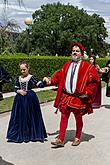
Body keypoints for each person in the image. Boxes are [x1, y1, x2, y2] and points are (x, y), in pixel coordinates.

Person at [43, 42, 100, 148]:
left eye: (77, 51)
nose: (74, 52)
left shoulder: (88, 67)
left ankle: (77, 137)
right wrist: (50, 80)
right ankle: (61, 139)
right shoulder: (67, 65)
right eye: (73, 51)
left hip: (78, 98)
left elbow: (94, 82)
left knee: (78, 118)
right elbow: (58, 77)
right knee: (64, 116)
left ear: (82, 54)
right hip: (66, 96)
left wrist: (87, 92)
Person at [7, 61, 47, 143]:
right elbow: (15, 88)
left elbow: (40, 85)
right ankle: (20, 134)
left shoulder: (31, 77)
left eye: (24, 69)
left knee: (31, 115)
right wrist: (19, 91)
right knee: (20, 116)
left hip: (30, 99)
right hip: (20, 100)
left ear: (28, 68)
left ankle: (32, 134)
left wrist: (45, 80)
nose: (22, 71)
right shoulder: (18, 78)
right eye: (21, 70)